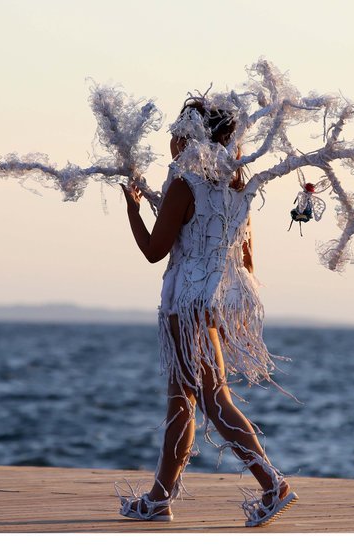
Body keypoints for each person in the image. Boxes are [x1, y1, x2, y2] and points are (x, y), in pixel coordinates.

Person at [114, 99, 298, 527]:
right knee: (183, 401)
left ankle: (272, 483)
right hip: (214, 302)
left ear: (191, 136)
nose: (172, 142)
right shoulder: (236, 187)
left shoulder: (185, 184)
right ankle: (159, 497)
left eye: (177, 133)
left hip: (184, 304)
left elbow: (154, 250)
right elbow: (246, 260)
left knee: (211, 400)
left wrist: (133, 210)